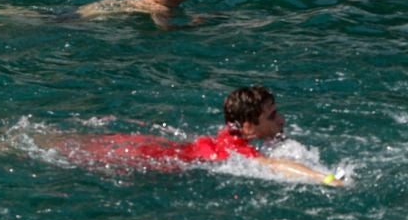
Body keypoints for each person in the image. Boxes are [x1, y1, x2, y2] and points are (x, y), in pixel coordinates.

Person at [50, 86, 343, 185]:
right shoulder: (238, 152)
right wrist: (325, 178)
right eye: (272, 116)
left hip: (151, 145)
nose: (282, 119)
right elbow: (275, 166)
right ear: (248, 127)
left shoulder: (228, 135)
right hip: (148, 157)